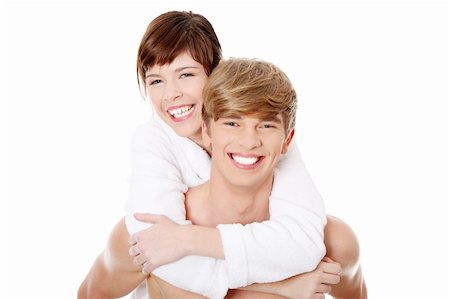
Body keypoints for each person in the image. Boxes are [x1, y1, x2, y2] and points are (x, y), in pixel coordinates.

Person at [78, 11, 366, 299]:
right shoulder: (153, 142)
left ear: (218, 72)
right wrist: (281, 286)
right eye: (156, 81)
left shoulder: (265, 139)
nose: (171, 95)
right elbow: (159, 248)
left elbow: (302, 242)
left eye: (186, 75)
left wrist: (188, 239)